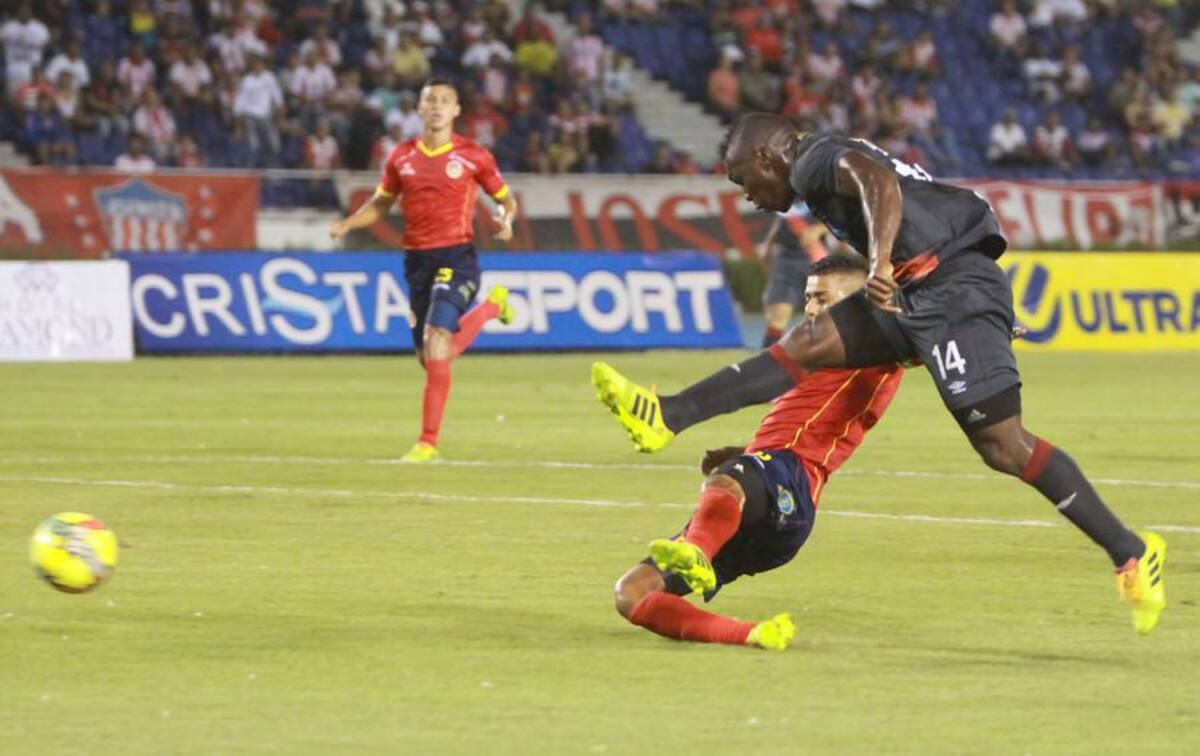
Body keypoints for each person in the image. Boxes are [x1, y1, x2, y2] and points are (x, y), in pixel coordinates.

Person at [592, 112, 1166, 635]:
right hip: (924, 291)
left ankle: (1132, 552)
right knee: (807, 343)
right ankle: (667, 413)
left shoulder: (814, 160)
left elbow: (878, 182)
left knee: (1003, 445)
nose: (750, 196)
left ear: (768, 159)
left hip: (943, 284)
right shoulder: (817, 167)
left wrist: (881, 263)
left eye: (746, 182)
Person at [612, 254, 903, 650]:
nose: (811, 309)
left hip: (794, 484)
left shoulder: (879, 348)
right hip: (768, 504)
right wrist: (746, 453)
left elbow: (924, 340)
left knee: (727, 479)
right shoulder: (811, 353)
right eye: (808, 298)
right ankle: (749, 633)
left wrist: (979, 325)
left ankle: (696, 548)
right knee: (631, 593)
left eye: (823, 298)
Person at [329, 77, 518, 463]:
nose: (436, 106)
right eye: (429, 100)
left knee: (436, 338)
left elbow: (504, 198)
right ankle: (492, 308)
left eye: (444, 101)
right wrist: (348, 224)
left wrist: (505, 219)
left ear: (456, 111)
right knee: (431, 355)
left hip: (457, 257)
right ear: (418, 108)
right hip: (416, 262)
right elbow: (381, 204)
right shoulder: (401, 157)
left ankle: (427, 442)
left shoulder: (472, 155)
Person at [758, 202, 828, 346]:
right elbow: (782, 219)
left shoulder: (819, 190)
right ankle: (770, 363)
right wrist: (768, 245)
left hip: (816, 257)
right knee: (777, 316)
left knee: (824, 317)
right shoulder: (782, 195)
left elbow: (841, 218)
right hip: (786, 259)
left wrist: (819, 229)